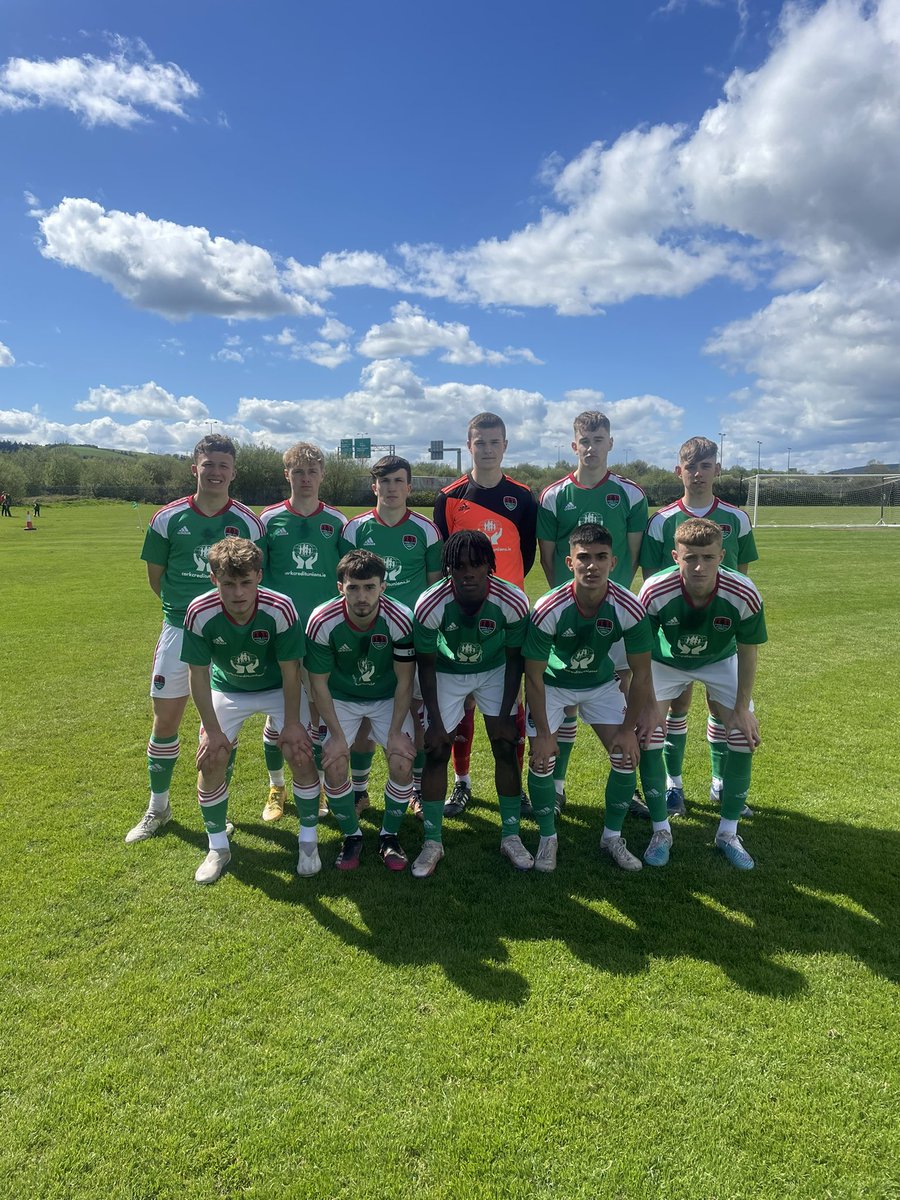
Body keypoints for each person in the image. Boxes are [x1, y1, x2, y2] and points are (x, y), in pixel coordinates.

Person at [125, 434, 266, 845]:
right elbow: (157, 578)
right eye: (209, 465)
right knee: (165, 721)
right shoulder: (167, 518)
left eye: (224, 466)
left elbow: (255, 580)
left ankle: (218, 814)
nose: (216, 472)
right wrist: (187, 612)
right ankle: (158, 807)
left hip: (230, 634)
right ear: (195, 469)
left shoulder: (248, 522)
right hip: (179, 630)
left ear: (234, 472)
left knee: (224, 726)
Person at [524, 524, 663, 872]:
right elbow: (535, 676)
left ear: (613, 562)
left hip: (601, 684)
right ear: (569, 562)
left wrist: (629, 729)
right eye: (583, 558)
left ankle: (612, 837)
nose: (592, 566)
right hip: (553, 686)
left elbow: (642, 674)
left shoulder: (629, 607)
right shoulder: (548, 607)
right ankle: (547, 838)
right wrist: (542, 734)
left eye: (601, 557)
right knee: (541, 760)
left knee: (625, 755)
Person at [180, 538, 318, 883]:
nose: (238, 593)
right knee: (212, 758)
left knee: (299, 752)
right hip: (227, 690)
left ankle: (308, 841)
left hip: (277, 687)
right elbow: (197, 676)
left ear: (259, 575)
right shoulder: (199, 611)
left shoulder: (280, 608)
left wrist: (291, 724)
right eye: (228, 583)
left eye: (246, 582)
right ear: (214, 580)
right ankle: (217, 846)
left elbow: (291, 672)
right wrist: (212, 732)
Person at [638, 518, 767, 870]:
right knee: (647, 733)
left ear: (722, 555)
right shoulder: (653, 589)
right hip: (665, 662)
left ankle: (727, 833)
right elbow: (641, 652)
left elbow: (748, 651)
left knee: (742, 735)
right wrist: (649, 708)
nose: (699, 566)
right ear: (674, 555)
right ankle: (661, 830)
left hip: (720, 660)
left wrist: (741, 707)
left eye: (708, 557)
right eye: (690, 557)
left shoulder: (744, 592)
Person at [640, 436, 759, 817]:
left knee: (719, 708)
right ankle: (673, 786)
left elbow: (739, 580)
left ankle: (719, 781)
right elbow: (652, 583)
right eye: (691, 467)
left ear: (717, 470)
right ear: (680, 471)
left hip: (718, 640)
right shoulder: (660, 521)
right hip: (670, 641)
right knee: (675, 708)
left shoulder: (736, 518)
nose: (698, 473)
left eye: (706, 466)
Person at [537, 410, 648, 813]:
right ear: (574, 445)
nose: (591, 447)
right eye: (584, 440)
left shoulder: (631, 493)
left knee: (617, 692)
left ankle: (627, 784)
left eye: (598, 439)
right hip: (566, 611)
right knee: (563, 697)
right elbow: (549, 557)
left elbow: (632, 553)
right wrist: (566, 598)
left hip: (613, 612)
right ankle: (559, 785)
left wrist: (611, 594)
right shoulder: (553, 495)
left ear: (610, 443)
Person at [433, 412, 538, 816]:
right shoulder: (449, 496)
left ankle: (518, 786)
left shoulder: (523, 497)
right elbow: (447, 558)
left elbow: (525, 555)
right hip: (462, 614)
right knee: (463, 707)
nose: (488, 449)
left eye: (495, 442)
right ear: (469, 444)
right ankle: (461, 783)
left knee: (513, 704)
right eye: (481, 442)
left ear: (505, 445)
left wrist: (503, 591)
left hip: (510, 613)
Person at [411, 530, 530, 878]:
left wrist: (509, 712)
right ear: (449, 568)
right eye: (459, 566)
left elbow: (515, 660)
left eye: (476, 565)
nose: (468, 573)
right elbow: (427, 664)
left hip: (495, 670)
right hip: (447, 672)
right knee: (435, 750)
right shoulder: (430, 603)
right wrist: (433, 720)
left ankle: (511, 835)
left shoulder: (513, 600)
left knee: (505, 744)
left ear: (490, 566)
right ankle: (432, 841)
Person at [340, 455, 442, 813]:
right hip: (364, 632)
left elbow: (433, 589)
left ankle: (413, 789)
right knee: (365, 712)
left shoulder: (427, 530)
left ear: (410, 486)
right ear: (374, 487)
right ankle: (359, 789)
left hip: (410, 636)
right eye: (385, 482)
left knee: (415, 711)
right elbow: (347, 583)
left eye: (399, 481)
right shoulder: (355, 529)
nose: (392, 488)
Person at [306, 550, 417, 871]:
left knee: (401, 759)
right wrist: (338, 737)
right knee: (335, 761)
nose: (361, 596)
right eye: (353, 587)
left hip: (386, 697)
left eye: (369, 587)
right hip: (341, 697)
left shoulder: (400, 618)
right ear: (340, 586)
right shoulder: (322, 620)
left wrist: (396, 732)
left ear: (383, 587)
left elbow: (405, 681)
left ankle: (389, 836)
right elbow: (319, 684)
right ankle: (352, 835)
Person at [260, 441, 346, 822]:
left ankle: (323, 786)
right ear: (287, 476)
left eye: (312, 472)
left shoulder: (339, 523)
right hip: (281, 633)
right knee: (278, 716)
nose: (306, 479)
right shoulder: (269, 519)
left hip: (323, 634)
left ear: (322, 475)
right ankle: (276, 785)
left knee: (320, 714)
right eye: (298, 472)